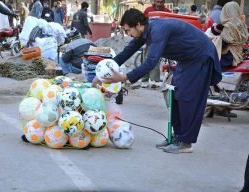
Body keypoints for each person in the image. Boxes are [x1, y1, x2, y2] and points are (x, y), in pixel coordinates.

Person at [92, 8, 222, 153]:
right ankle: (178, 137)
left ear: (139, 24)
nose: (129, 34)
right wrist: (102, 72)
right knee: (174, 96)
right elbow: (127, 52)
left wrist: (125, 78)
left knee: (187, 98)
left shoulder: (158, 29)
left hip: (200, 57)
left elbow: (151, 62)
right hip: (186, 60)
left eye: (129, 30)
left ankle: (186, 142)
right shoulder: (144, 31)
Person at [141, 0, 171, 89]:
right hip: (150, 39)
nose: (159, 4)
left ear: (164, 2)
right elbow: (143, 24)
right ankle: (144, 80)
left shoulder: (168, 12)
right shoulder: (148, 11)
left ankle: (155, 80)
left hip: (163, 40)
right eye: (157, 2)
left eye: (161, 2)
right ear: (154, 1)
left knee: (156, 59)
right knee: (146, 59)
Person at [209, 1, 248, 69]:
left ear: (226, 12)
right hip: (238, 55)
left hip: (229, 57)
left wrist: (216, 39)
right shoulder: (242, 24)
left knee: (209, 65)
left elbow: (224, 42)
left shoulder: (229, 26)